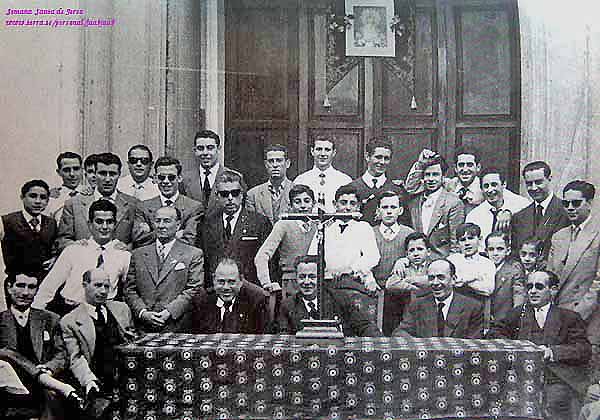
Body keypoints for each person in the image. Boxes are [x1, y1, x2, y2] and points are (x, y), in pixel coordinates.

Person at [488, 270, 591, 420]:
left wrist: (553, 352)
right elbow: (494, 332)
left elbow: (584, 350)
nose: (532, 291)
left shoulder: (569, 317)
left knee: (553, 403)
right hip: (521, 377)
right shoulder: (518, 314)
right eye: (529, 287)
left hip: (555, 378)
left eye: (539, 287)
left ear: (553, 290)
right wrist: (515, 346)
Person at [1, 272, 83, 419]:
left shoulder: (49, 319)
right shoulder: (0, 321)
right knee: (6, 352)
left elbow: (61, 355)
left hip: (42, 388)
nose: (25, 292)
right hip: (10, 389)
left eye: (31, 287)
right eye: (20, 286)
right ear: (9, 288)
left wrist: (49, 368)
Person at [33, 200, 131, 316]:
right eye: (99, 222)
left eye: (109, 222)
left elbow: (130, 289)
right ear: (90, 224)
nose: (104, 227)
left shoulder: (123, 255)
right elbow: (49, 286)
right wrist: (35, 315)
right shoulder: (74, 250)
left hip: (103, 313)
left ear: (115, 224)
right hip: (70, 310)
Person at [61, 268, 136, 419]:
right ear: (84, 285)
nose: (103, 291)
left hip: (126, 379)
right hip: (97, 382)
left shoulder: (121, 309)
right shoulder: (70, 321)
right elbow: (75, 358)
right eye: (97, 285)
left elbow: (133, 340)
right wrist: (89, 381)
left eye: (106, 286)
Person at [125, 206, 204, 332]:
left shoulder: (193, 254)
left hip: (178, 325)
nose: (161, 226)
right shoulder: (138, 254)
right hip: (143, 327)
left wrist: (169, 312)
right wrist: (143, 313)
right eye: (158, 221)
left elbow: (194, 288)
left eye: (167, 221)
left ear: (178, 225)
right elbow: (130, 289)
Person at [56, 152, 148, 251]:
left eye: (112, 174)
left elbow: (140, 240)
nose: (107, 179)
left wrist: (128, 247)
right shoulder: (74, 204)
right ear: (95, 174)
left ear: (119, 175)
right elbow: (61, 240)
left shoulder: (133, 204)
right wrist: (75, 245)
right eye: (102, 173)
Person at [199, 170, 272, 289]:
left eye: (235, 193)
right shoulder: (207, 223)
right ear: (217, 196)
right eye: (224, 194)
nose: (230, 198)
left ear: (242, 194)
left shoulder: (259, 223)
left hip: (249, 290)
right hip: (216, 290)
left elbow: (269, 263)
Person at [278, 255, 382, 336]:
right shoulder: (288, 305)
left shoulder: (339, 299)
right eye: (302, 277)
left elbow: (364, 326)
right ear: (296, 278)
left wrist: (381, 344)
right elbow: (283, 336)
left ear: (321, 277)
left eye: (312, 277)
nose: (306, 282)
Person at [307, 184, 380, 291]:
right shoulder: (325, 228)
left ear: (358, 207)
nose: (348, 208)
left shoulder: (363, 227)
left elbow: (372, 256)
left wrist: (351, 269)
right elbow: (312, 255)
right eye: (343, 203)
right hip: (328, 281)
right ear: (335, 204)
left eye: (352, 203)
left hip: (355, 280)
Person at [392, 258, 484, 338]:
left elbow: (474, 343)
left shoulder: (473, 307)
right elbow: (400, 333)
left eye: (441, 277)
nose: (435, 283)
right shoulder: (417, 305)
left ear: (454, 279)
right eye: (431, 278)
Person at [548, 180, 600, 321]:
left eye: (576, 203)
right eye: (566, 204)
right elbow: (551, 276)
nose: (570, 208)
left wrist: (577, 314)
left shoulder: (597, 234)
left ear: (589, 203)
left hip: (587, 316)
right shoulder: (559, 236)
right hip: (558, 314)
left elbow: (598, 284)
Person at [255, 184, 318, 295]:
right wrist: (266, 283)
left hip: (315, 283)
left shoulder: (319, 225)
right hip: (290, 284)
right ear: (290, 205)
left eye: (307, 201)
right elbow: (262, 256)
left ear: (313, 203)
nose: (303, 206)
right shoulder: (283, 225)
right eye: (297, 202)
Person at [370, 191, 414, 334]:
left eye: (393, 207)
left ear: (400, 210)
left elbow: (419, 256)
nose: (389, 211)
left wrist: (404, 259)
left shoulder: (408, 233)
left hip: (400, 294)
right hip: (373, 292)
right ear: (378, 210)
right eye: (385, 207)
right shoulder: (370, 232)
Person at [405, 152, 465, 256]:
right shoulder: (415, 201)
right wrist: (420, 164)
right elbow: (409, 187)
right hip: (416, 261)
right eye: (427, 175)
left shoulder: (453, 203)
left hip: (441, 261)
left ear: (443, 177)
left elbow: (456, 243)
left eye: (435, 175)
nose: (431, 179)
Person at [135, 156, 204, 247]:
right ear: (155, 179)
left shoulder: (193, 207)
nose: (166, 181)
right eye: (161, 177)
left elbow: (189, 240)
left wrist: (152, 233)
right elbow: (140, 240)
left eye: (171, 177)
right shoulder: (143, 207)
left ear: (179, 178)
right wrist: (174, 234)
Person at [191, 257, 267, 334]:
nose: (226, 287)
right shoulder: (201, 301)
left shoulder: (255, 301)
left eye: (231, 282)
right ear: (214, 280)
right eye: (221, 281)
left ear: (241, 281)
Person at [511, 161, 570, 258]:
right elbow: (515, 254)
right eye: (529, 184)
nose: (534, 188)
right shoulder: (519, 217)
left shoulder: (565, 210)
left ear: (549, 179)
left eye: (538, 182)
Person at [346, 137, 407, 225]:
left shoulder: (397, 190)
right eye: (378, 157)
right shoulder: (352, 188)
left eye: (386, 158)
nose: (382, 162)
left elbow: (403, 224)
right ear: (367, 156)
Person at [1, 180, 57, 276]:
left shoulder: (51, 223)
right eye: (33, 196)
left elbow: (54, 249)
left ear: (47, 201)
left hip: (43, 280)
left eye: (43, 198)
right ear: (22, 197)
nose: (38, 201)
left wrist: (54, 259)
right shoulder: (6, 221)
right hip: (16, 282)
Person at [466, 167, 530, 249]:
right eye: (486, 186)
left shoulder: (521, 205)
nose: (490, 190)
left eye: (494, 185)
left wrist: (509, 212)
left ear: (504, 184)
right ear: (481, 189)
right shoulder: (474, 216)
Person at [407, 147, 484, 214]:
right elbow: (411, 188)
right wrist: (420, 164)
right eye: (461, 165)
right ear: (455, 168)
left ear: (478, 167)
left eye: (470, 165)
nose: (465, 169)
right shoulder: (449, 184)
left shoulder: (484, 187)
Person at [383, 232, 432, 335]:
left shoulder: (433, 266)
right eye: (411, 250)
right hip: (409, 314)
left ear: (428, 252)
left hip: (430, 314)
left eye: (420, 249)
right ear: (407, 254)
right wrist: (416, 288)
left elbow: (433, 281)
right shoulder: (404, 266)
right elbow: (390, 284)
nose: (416, 253)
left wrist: (409, 279)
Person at [180, 130, 234, 215]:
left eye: (210, 148)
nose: (205, 153)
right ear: (195, 150)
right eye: (200, 148)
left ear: (218, 149)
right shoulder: (185, 179)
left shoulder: (233, 176)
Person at [293, 136, 352, 213]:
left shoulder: (344, 180)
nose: (323, 154)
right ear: (312, 151)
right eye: (319, 149)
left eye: (327, 150)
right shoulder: (301, 180)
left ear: (333, 152)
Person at [246, 144, 294, 224]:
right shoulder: (253, 195)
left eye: (279, 160)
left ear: (287, 163)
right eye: (271, 161)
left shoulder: (296, 191)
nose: (275, 165)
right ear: (266, 164)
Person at [485, 231, 526, 322]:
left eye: (500, 249)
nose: (495, 253)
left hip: (505, 320)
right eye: (491, 249)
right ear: (486, 251)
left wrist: (514, 316)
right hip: (483, 320)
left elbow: (518, 293)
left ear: (508, 250)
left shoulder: (514, 269)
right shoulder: (482, 267)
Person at [447, 223, 496, 299]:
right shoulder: (452, 260)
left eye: (471, 238)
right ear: (457, 243)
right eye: (462, 240)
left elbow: (488, 289)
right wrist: (475, 277)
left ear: (480, 240)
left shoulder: (487, 263)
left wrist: (464, 281)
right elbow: (448, 282)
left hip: (478, 303)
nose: (467, 243)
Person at [45, 152, 92, 221]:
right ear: (59, 172)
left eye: (76, 169)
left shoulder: (91, 193)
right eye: (66, 170)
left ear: (82, 170)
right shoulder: (52, 198)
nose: (72, 174)